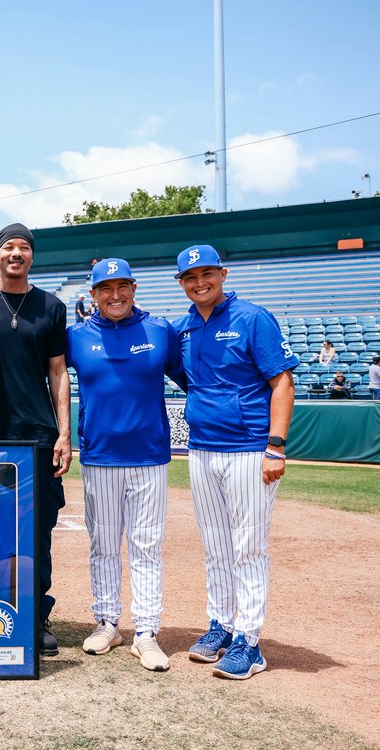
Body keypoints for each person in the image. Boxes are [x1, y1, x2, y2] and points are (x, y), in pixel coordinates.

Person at [172, 244, 298, 681]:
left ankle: (250, 640)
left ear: (222, 274)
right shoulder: (184, 327)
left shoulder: (252, 317)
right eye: (190, 277)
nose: (199, 282)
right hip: (202, 448)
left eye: (207, 273)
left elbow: (282, 381)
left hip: (248, 448)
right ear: (181, 283)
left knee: (248, 546)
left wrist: (276, 446)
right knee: (215, 545)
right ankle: (221, 625)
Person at [66, 258, 181, 672]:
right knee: (103, 545)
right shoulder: (75, 336)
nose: (115, 296)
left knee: (146, 545)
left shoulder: (160, 331)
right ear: (93, 294)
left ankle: (146, 630)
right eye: (105, 289)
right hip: (98, 456)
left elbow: (192, 379)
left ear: (134, 287)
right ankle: (107, 622)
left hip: (149, 456)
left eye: (122, 287)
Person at [0, 223, 71, 657]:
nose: (16, 253)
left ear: (32, 256)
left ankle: (35, 613)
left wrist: (65, 432)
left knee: (38, 529)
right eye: (9, 247)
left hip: (38, 435)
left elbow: (58, 372)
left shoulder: (51, 306)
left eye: (24, 248)